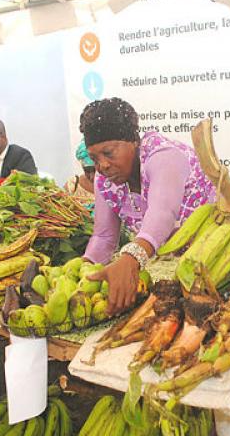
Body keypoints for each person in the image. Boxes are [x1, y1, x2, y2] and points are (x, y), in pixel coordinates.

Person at [81, 98, 216, 314]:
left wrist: (131, 258)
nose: (103, 165)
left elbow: (163, 213)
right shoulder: (104, 180)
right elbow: (104, 237)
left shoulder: (164, 156)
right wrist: (83, 271)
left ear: (133, 141)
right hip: (188, 268)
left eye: (109, 153)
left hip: (226, 250)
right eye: (94, 158)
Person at [63, 141, 95, 205]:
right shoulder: (73, 185)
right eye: (87, 171)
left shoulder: (114, 185)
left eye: (96, 171)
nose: (92, 176)